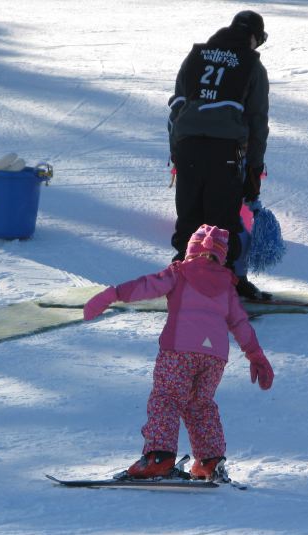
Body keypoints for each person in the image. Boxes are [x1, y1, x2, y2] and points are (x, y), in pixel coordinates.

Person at [83, 224, 274, 480]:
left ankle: (158, 458)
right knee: (201, 405)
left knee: (167, 399)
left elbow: (146, 286)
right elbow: (240, 323)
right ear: (222, 256)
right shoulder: (227, 286)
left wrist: (113, 294)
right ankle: (210, 460)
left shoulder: (180, 272)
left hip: (179, 351)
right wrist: (256, 356)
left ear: (191, 250)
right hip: (215, 357)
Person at [167, 10, 271, 300]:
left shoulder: (196, 56)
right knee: (221, 221)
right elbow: (256, 120)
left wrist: (176, 150)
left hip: (187, 146)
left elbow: (177, 105)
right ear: (255, 37)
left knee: (189, 216)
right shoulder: (252, 65)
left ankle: (182, 281)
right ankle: (229, 285)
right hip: (224, 151)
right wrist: (254, 168)